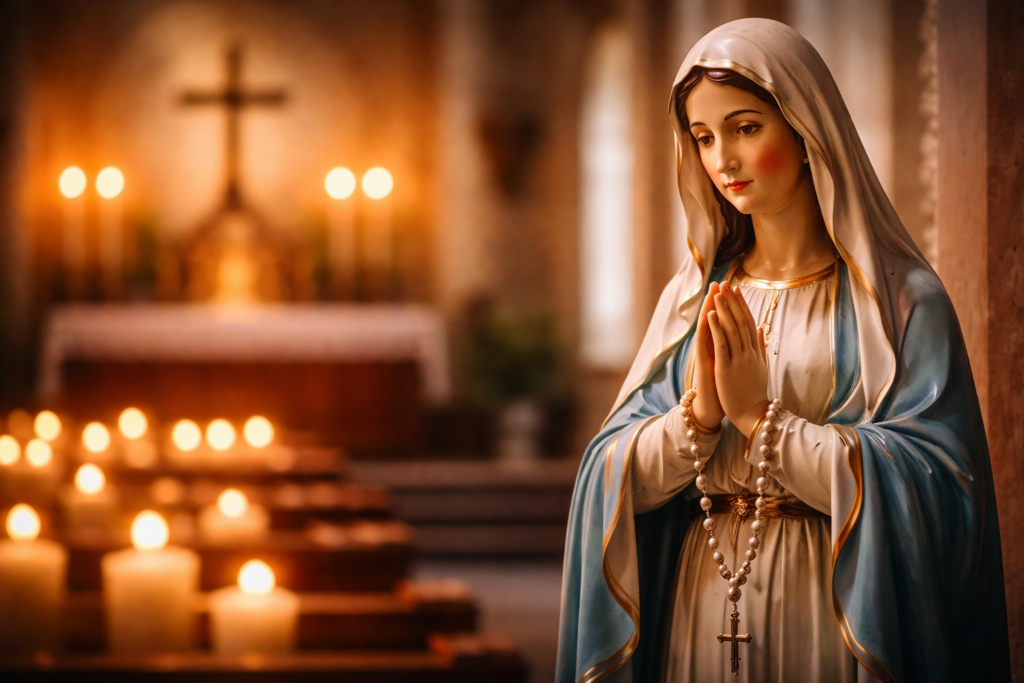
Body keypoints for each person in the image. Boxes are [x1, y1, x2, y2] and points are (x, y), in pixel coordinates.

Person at [556, 18, 1009, 683]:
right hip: (701, 594)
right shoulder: (692, 299)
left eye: (745, 128)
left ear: (805, 129)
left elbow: (942, 488)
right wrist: (698, 421)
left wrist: (761, 423)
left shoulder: (900, 303)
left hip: (831, 603)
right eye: (704, 138)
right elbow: (610, 476)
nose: (723, 161)